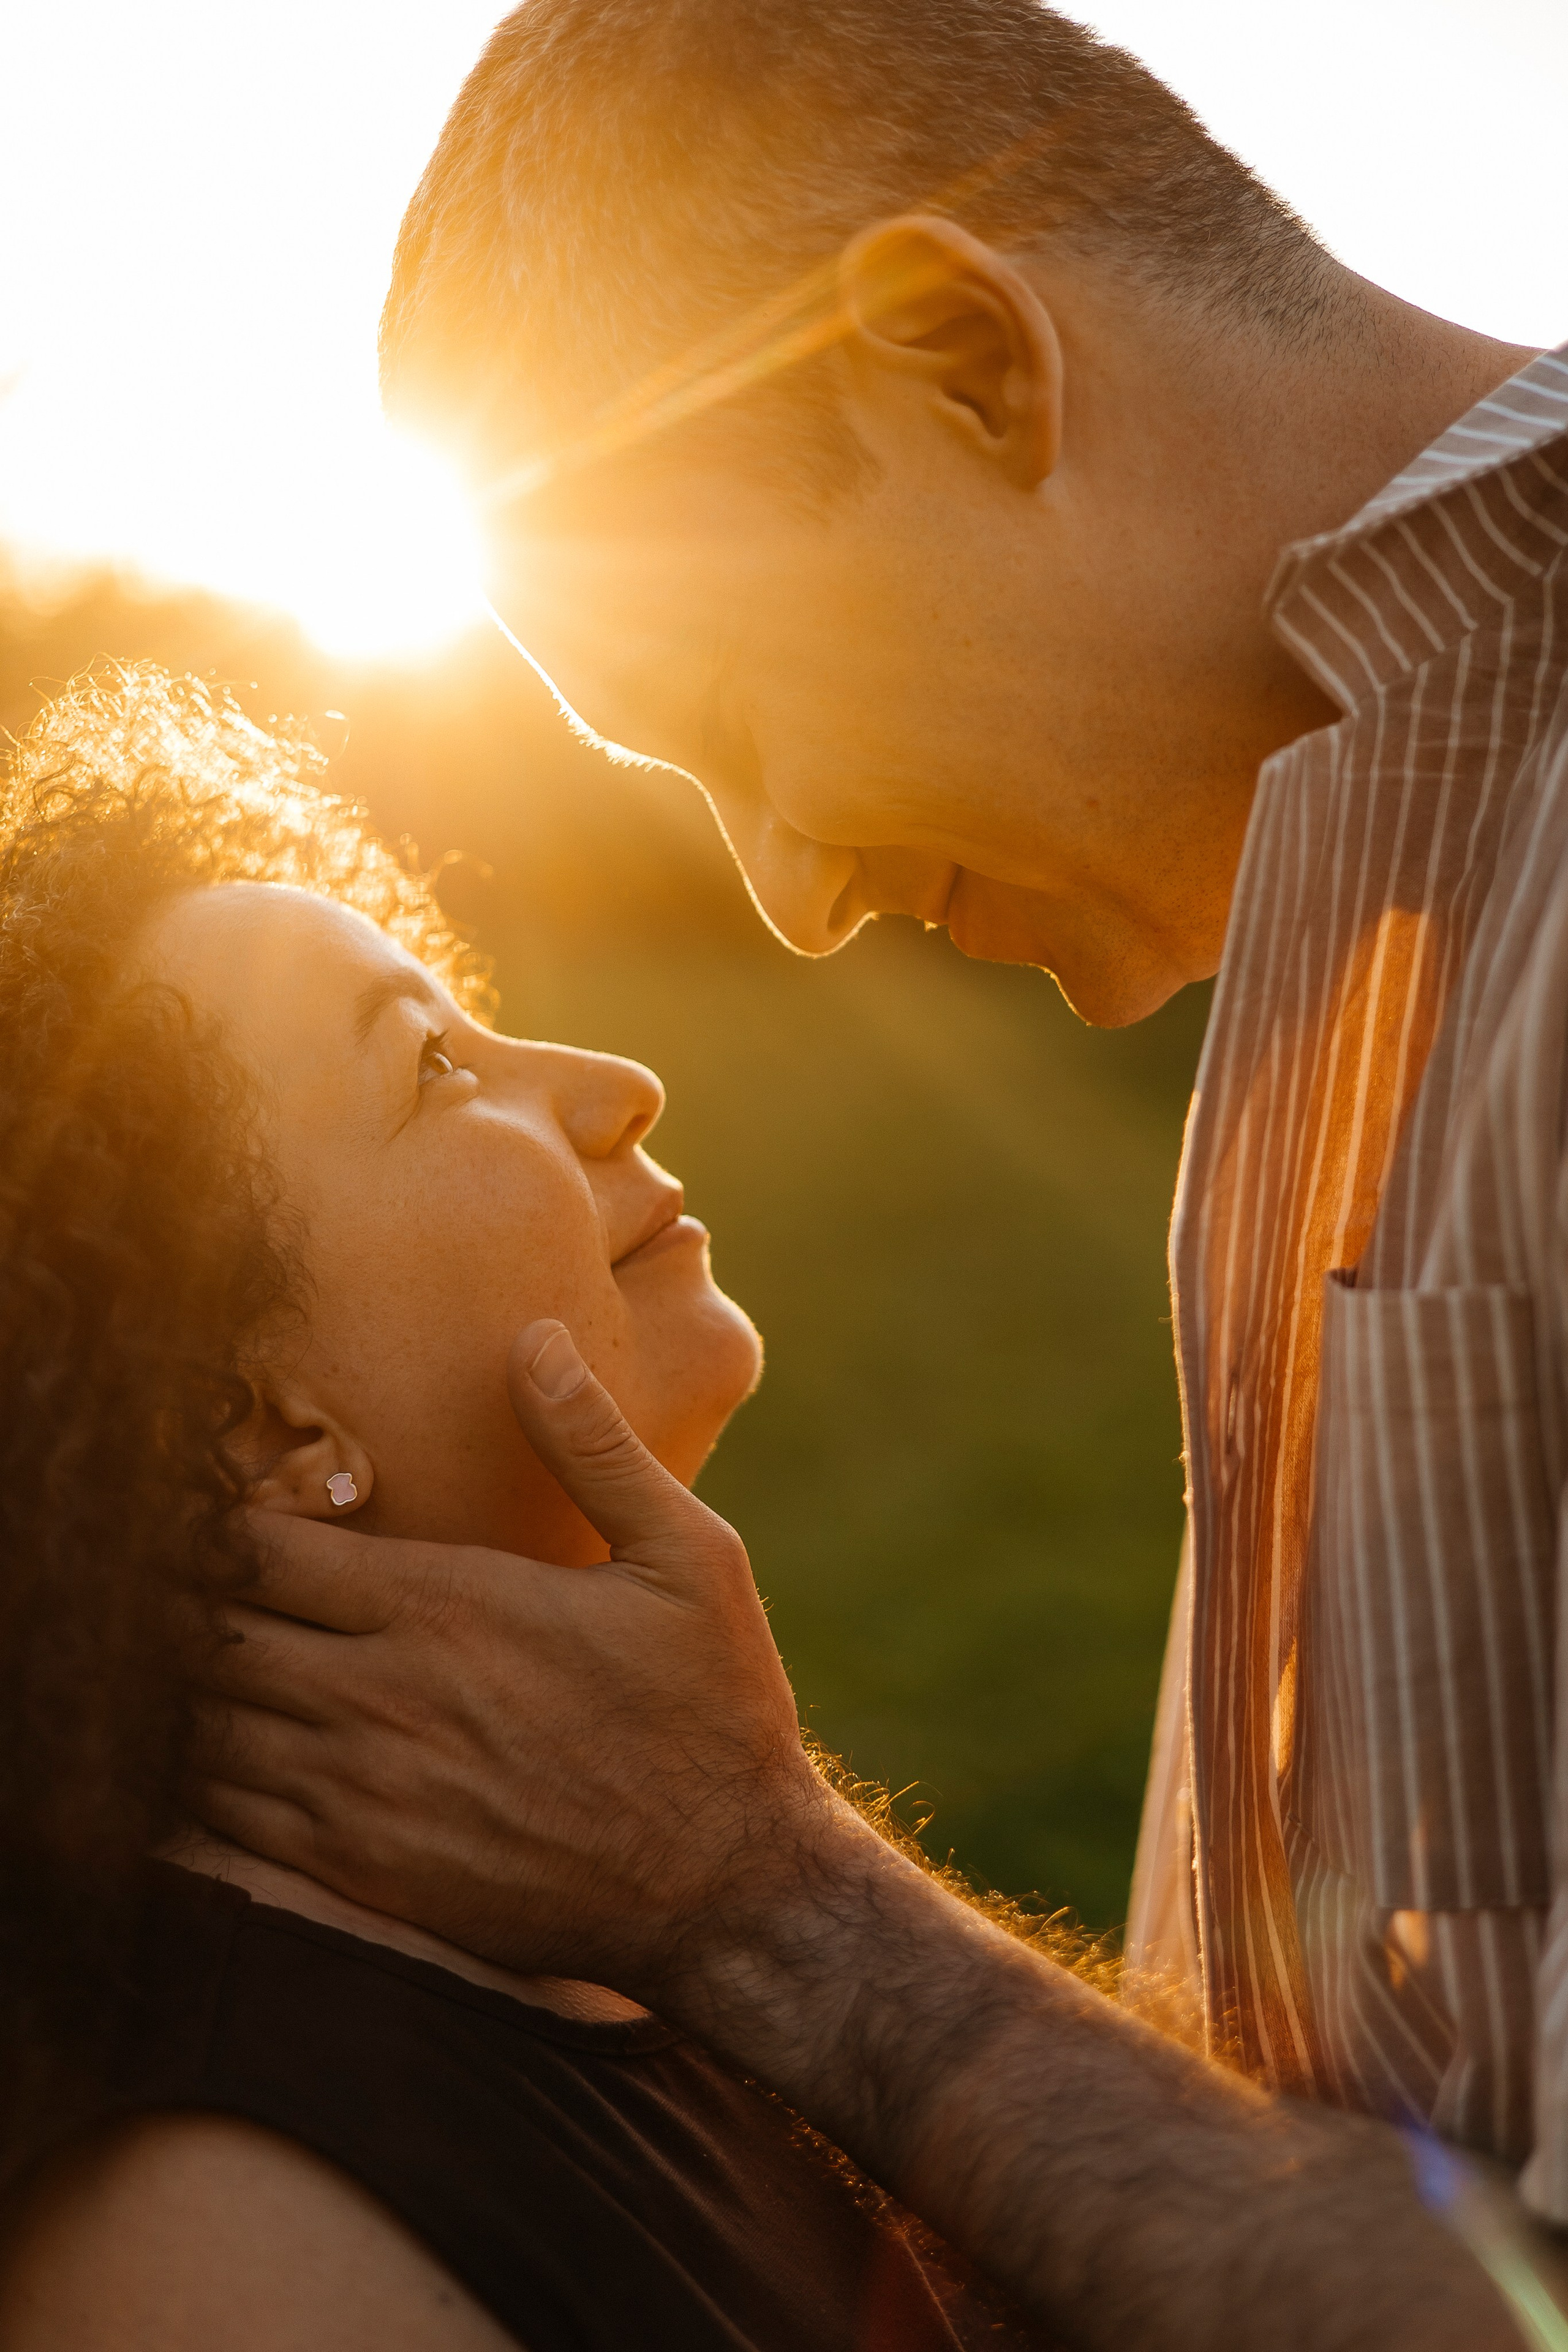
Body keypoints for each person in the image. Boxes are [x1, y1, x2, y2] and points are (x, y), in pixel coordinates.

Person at [188, 2, 1568, 2346]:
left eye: (731, 718)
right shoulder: (1376, 901)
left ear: (958, 358)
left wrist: (763, 1902)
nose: (797, 894)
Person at [0, 666, 1057, 2351]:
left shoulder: (603, 1899)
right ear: (255, 1427)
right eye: (432, 1065)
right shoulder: (224, 2243)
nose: (613, 1080)